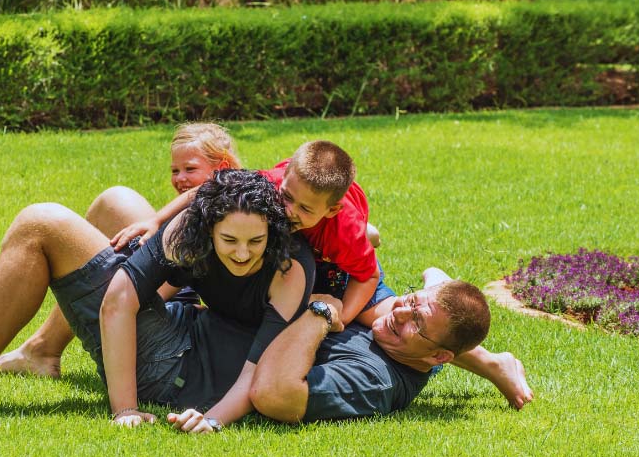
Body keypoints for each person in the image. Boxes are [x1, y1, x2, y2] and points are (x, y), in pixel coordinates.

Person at [0, 171, 314, 435]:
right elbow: (120, 299)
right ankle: (43, 351)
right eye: (229, 240)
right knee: (116, 202)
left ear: (273, 232)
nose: (241, 252)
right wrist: (124, 409)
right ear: (208, 227)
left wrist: (134, 409)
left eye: (254, 241)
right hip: (186, 322)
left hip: (174, 362)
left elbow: (259, 371)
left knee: (41, 223)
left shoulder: (289, 268)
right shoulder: (188, 230)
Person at [117, 140, 533, 410]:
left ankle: (493, 362)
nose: (288, 211)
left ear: (331, 209)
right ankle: (434, 291)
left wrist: (341, 316)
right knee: (409, 317)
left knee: (388, 317)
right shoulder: (275, 186)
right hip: (306, 251)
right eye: (287, 200)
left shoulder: (344, 230)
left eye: (303, 208)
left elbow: (367, 280)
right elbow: (208, 193)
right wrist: (155, 222)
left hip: (340, 271)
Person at [0, 122, 242, 376]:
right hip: (168, 288)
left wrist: (123, 289)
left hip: (167, 309)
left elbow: (167, 284)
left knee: (49, 230)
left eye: (190, 169)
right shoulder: (198, 206)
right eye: (175, 170)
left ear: (221, 168)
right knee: (113, 202)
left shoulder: (227, 213)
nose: (179, 178)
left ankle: (37, 352)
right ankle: (43, 349)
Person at [250, 273, 497, 422]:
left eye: (417, 322)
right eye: (411, 300)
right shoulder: (406, 342)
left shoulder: (375, 379)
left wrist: (321, 313)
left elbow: (276, 395)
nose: (399, 313)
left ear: (438, 356)